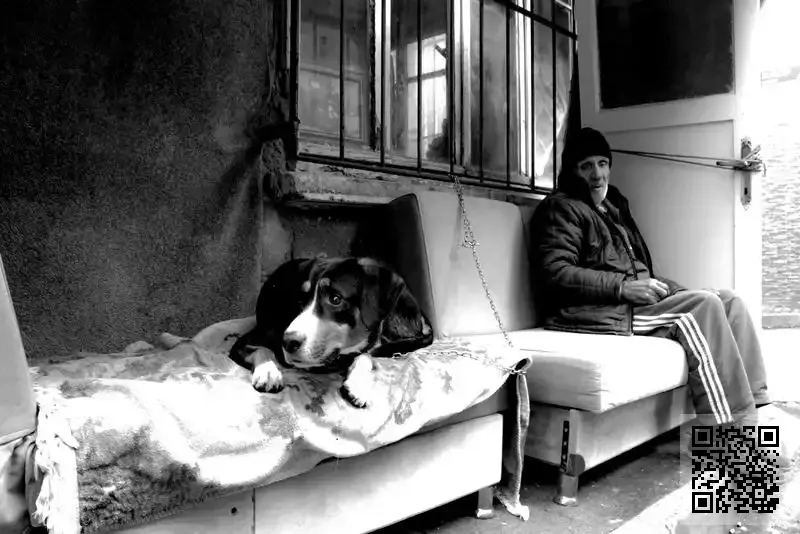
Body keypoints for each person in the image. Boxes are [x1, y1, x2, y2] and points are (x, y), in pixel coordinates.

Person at [530, 127, 771, 434]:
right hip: (591, 310)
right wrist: (622, 288)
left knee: (730, 301)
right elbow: (555, 273)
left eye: (602, 163)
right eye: (586, 166)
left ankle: (760, 412)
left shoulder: (611, 207)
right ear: (571, 170)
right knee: (702, 307)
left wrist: (674, 291)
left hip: (628, 301)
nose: (597, 174)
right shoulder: (560, 208)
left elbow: (639, 270)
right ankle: (733, 434)